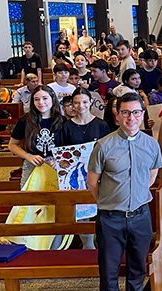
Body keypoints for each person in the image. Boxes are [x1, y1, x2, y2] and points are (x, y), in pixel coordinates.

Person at [86, 93, 162, 291]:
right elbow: (92, 182)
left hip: (140, 216)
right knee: (109, 270)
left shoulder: (151, 144)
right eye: (126, 113)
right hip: (111, 219)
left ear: (143, 114)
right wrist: (112, 203)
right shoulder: (104, 145)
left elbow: (152, 176)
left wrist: (136, 197)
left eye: (136, 113)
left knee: (137, 267)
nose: (132, 118)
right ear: (117, 114)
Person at [62, 88, 110, 249]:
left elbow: (108, 149)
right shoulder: (66, 126)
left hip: (99, 172)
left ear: (90, 102)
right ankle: (87, 244)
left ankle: (102, 239)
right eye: (76, 102)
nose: (80, 105)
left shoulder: (101, 124)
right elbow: (62, 152)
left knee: (100, 206)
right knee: (82, 207)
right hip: (76, 174)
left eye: (84, 102)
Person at [8, 86, 64, 187]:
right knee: (29, 198)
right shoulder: (25, 120)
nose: (41, 102)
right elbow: (12, 145)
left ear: (53, 99)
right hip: (32, 163)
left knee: (55, 198)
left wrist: (59, 160)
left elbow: (69, 147)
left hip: (56, 164)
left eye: (45, 98)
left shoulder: (63, 121)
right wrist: (27, 156)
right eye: (36, 99)